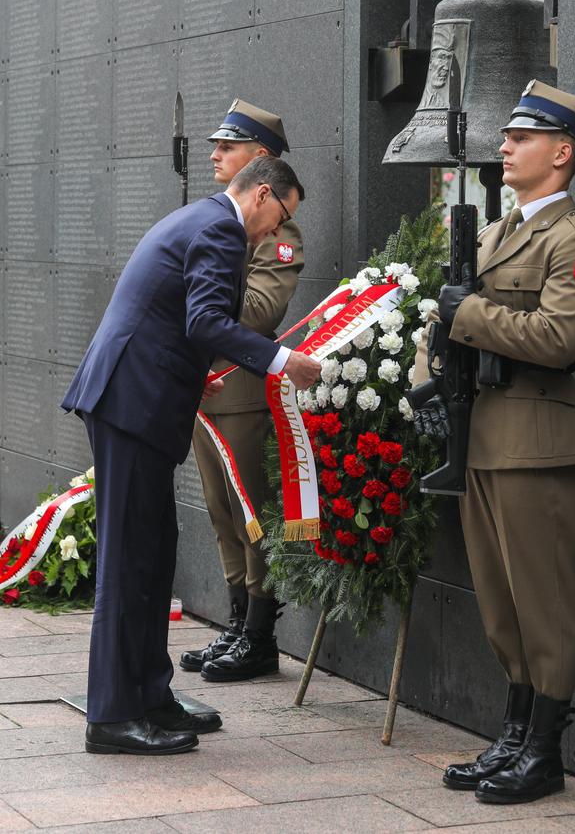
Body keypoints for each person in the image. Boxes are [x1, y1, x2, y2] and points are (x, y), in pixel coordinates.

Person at [62, 155, 320, 756]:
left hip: (143, 395)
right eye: (281, 217)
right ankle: (112, 715)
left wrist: (190, 372)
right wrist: (283, 361)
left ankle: (151, 696)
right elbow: (205, 320)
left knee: (154, 556)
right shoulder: (222, 229)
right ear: (261, 195)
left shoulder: (204, 220)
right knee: (130, 561)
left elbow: (171, 314)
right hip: (132, 403)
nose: (276, 233)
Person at [412, 81, 575, 804]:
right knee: (500, 603)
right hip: (480, 437)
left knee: (542, 602)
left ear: (562, 153)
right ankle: (516, 729)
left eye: (522, 137)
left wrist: (468, 314)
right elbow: (442, 321)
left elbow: (558, 339)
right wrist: (425, 384)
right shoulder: (494, 233)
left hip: (536, 442)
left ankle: (545, 752)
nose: (505, 143)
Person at [180, 100, 304, 682]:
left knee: (251, 515)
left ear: (259, 159)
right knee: (220, 511)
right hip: (205, 389)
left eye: (227, 147)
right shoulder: (214, 223)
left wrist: (197, 302)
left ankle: (259, 635)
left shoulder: (278, 234)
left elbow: (256, 312)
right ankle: (235, 624)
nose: (214, 155)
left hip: (241, 390)